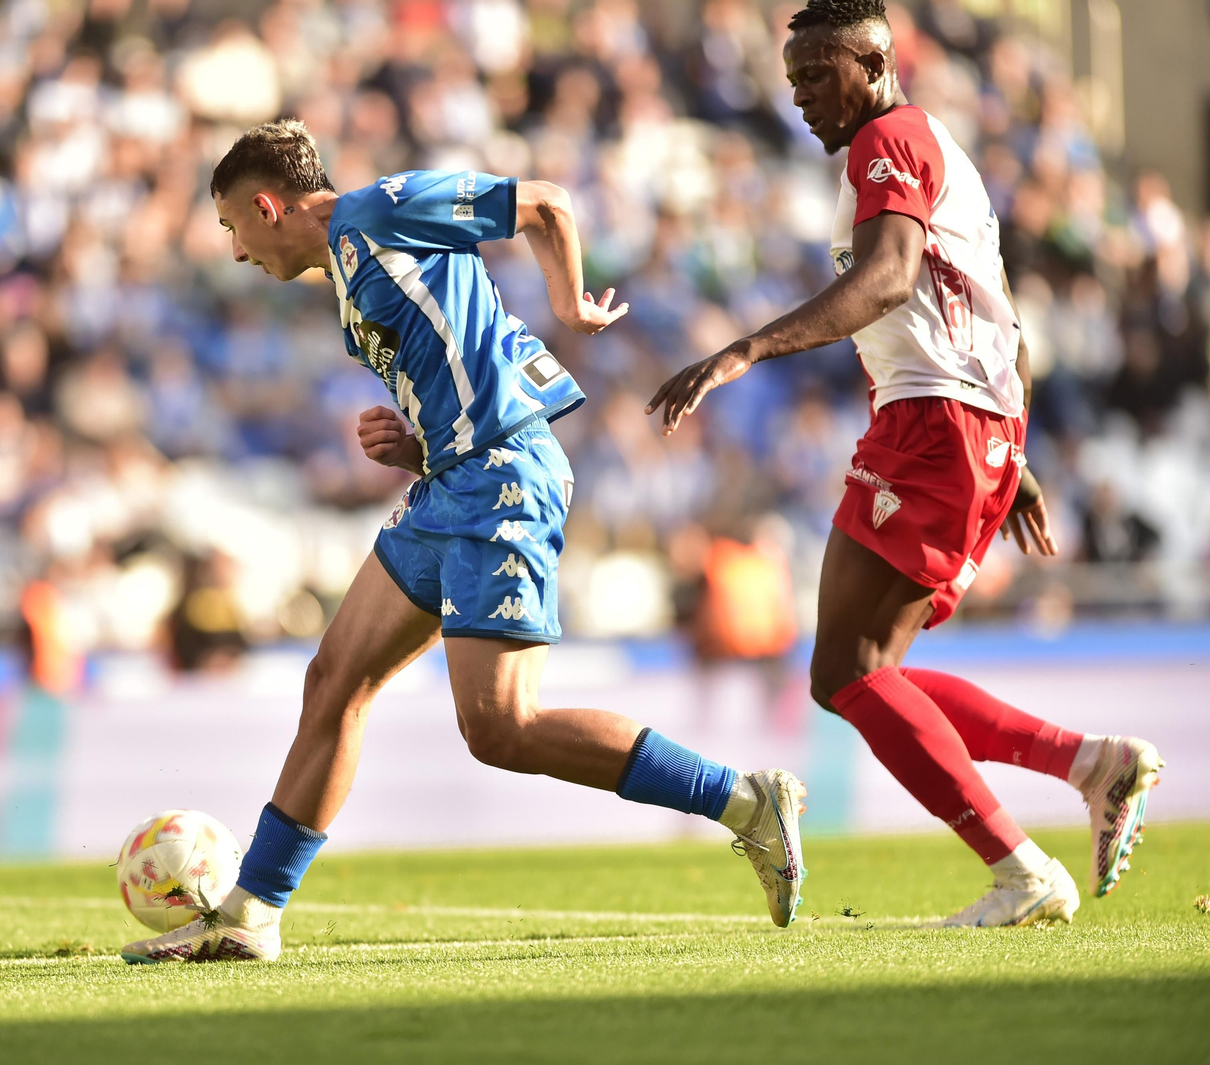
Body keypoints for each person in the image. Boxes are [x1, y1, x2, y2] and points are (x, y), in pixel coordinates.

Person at [122, 120, 807, 963]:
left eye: (232, 226)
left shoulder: (381, 209)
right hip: (451, 479)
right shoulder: (348, 268)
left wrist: (567, 302)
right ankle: (251, 911)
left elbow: (546, 205)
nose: (233, 249)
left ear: (266, 206)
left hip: (502, 477)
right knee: (336, 676)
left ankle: (743, 801)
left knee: (500, 726)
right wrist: (416, 443)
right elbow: (464, 354)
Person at [645, 0, 1162, 927]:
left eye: (817, 73)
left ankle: (1022, 868)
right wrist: (1015, 448)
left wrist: (745, 351)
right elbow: (1000, 310)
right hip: (970, 425)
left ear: (874, 62)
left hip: (934, 426)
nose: (800, 96)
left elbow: (885, 276)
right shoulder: (932, 150)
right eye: (792, 78)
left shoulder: (890, 139)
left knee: (846, 670)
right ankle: (1092, 765)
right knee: (865, 667)